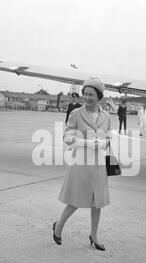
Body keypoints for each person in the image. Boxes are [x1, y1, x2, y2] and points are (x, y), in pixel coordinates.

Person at [53, 77, 112, 251]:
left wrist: (105, 143)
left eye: (91, 94)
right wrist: (85, 142)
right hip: (81, 162)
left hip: (99, 165)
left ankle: (94, 236)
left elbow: (108, 136)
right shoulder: (76, 114)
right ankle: (58, 227)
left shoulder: (106, 116)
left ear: (99, 96)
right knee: (75, 200)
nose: (87, 97)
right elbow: (66, 137)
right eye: (85, 94)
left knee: (97, 202)